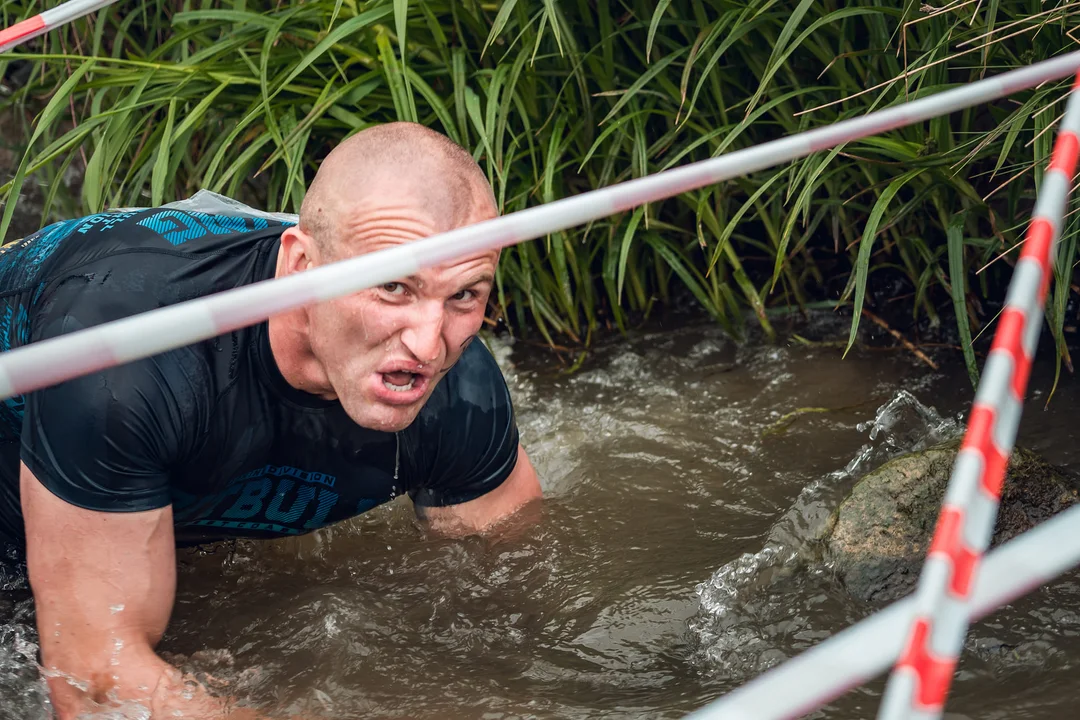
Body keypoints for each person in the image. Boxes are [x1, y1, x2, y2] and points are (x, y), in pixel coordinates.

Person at [0, 122, 543, 719]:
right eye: (392, 286)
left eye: (465, 295)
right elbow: (92, 684)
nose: (429, 343)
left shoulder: (459, 393)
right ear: (302, 266)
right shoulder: (125, 363)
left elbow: (518, 585)